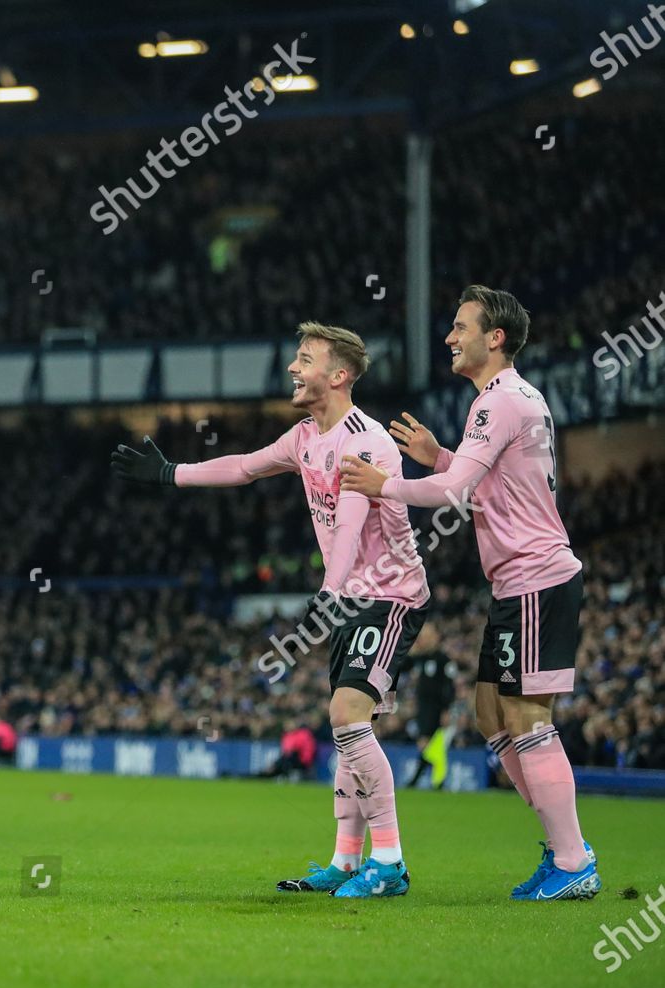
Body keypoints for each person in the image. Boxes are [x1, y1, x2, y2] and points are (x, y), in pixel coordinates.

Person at [113, 322, 430, 899]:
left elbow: (355, 524)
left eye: (304, 359)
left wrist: (331, 592)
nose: (292, 368)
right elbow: (244, 466)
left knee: (347, 717)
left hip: (390, 595)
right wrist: (170, 473)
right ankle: (344, 860)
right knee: (349, 729)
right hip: (352, 599)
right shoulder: (307, 435)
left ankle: (390, 864)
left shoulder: (368, 441)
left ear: (338, 376)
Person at [341, 284, 599, 901]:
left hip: (538, 576)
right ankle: (563, 852)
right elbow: (486, 487)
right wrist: (439, 457)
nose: (451, 337)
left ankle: (573, 860)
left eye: (461, 327)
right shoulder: (505, 401)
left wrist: (386, 484)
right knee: (491, 715)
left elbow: (457, 494)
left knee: (527, 717)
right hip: (515, 583)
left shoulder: (500, 400)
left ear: (495, 337)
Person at [404, 624, 457, 789]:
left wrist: (447, 709)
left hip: (437, 708)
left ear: (436, 637)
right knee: (431, 746)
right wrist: (411, 651)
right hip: (423, 707)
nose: (423, 639)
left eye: (427, 635)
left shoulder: (443, 660)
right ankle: (437, 782)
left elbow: (450, 686)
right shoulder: (420, 658)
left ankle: (416, 780)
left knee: (428, 744)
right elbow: (402, 666)